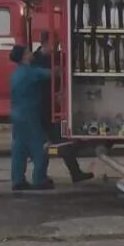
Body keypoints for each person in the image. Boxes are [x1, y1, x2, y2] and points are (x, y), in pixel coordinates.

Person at [31, 37, 93, 185]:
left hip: (55, 106)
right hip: (41, 108)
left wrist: (62, 92)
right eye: (55, 44)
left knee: (62, 141)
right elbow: (37, 79)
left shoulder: (58, 57)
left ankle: (74, 173)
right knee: (43, 144)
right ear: (45, 43)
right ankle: (40, 177)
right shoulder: (34, 60)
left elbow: (65, 74)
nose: (57, 47)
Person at [9, 43, 53, 191]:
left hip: (17, 114)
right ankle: (40, 179)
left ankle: (18, 180)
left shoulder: (16, 73)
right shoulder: (30, 73)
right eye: (28, 52)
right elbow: (51, 74)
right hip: (30, 115)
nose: (31, 53)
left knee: (19, 148)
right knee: (39, 146)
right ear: (24, 57)